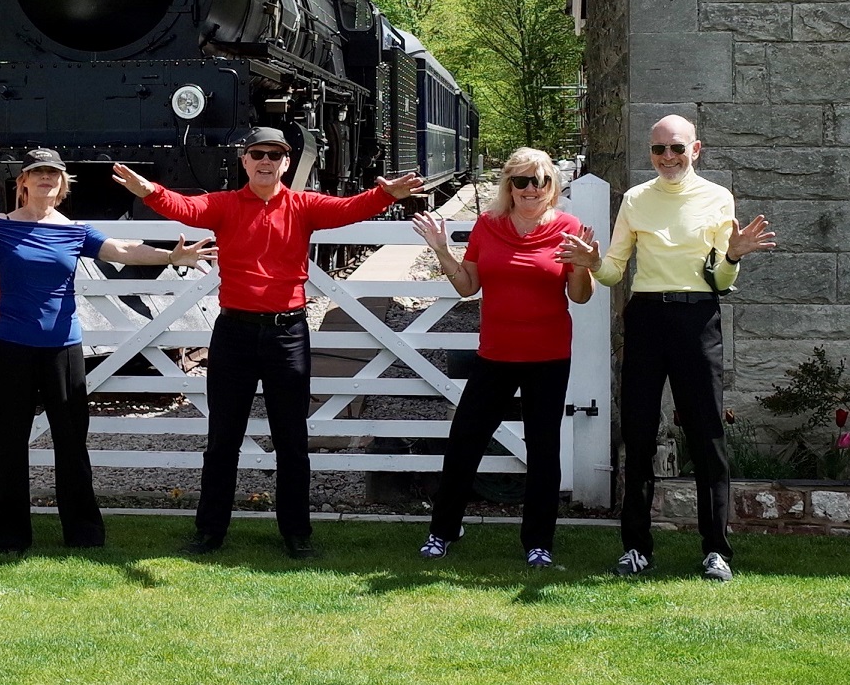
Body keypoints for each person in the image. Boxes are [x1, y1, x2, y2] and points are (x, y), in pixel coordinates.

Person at [0, 149, 215, 554]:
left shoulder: (75, 231)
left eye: (53, 174)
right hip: (12, 347)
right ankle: (7, 535)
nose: (45, 179)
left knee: (71, 443)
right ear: (23, 183)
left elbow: (123, 250)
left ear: (62, 185)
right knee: (10, 445)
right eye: (37, 173)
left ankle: (83, 533)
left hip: (64, 350)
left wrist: (171, 256)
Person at [113, 128, 423, 558]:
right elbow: (184, 207)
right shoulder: (223, 205)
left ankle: (296, 534)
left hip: (287, 334)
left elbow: (349, 210)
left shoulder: (303, 205)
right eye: (257, 154)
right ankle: (210, 532)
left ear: (287, 163)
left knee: (292, 441)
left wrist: (384, 195)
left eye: (274, 155)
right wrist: (148, 190)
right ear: (244, 160)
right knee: (222, 439)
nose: (266, 161)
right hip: (234, 334)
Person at [557, 114, 775, 582]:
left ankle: (716, 549)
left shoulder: (718, 197)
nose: (668, 158)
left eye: (677, 148)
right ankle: (636, 548)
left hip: (698, 318)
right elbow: (615, 272)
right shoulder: (636, 199)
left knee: (707, 436)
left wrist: (733, 255)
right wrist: (595, 262)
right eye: (659, 150)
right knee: (637, 436)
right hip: (647, 317)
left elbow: (718, 278)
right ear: (650, 153)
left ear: (696, 150)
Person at [411, 148, 593, 568]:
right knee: (463, 444)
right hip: (495, 355)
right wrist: (441, 250)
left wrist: (583, 265)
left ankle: (538, 542)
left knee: (544, 452)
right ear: (508, 186)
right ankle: (443, 530)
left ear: (553, 186)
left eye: (540, 181)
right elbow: (466, 287)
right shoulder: (488, 225)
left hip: (548, 357)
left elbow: (579, 297)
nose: (531, 189)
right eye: (522, 181)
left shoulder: (568, 228)